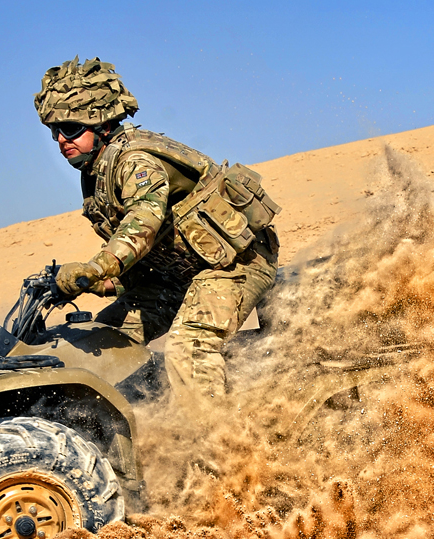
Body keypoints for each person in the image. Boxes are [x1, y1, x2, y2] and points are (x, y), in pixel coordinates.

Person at [34, 57, 280, 410]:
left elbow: (142, 223)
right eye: (54, 131)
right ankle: (144, 418)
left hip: (233, 266)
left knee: (188, 349)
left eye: (71, 129)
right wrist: (103, 284)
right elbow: (161, 246)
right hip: (177, 277)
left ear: (101, 123)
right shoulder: (95, 169)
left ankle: (221, 452)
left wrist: (98, 267)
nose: (61, 140)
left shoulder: (134, 161)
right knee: (103, 340)